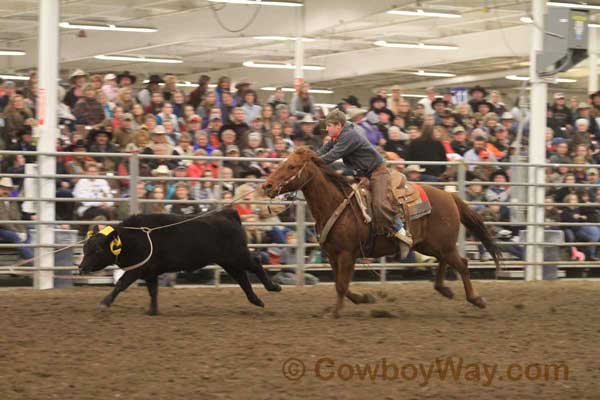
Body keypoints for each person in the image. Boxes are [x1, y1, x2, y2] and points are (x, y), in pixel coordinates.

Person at [316, 109, 412, 251]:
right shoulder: (341, 133)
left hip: (377, 172)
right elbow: (324, 150)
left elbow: (332, 155)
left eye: (329, 126)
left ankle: (401, 232)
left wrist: (311, 161)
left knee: (380, 204)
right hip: (362, 173)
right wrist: (309, 156)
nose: (326, 128)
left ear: (338, 125)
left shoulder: (349, 136)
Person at [0, 177, 33, 261]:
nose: (6, 191)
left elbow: (17, 217)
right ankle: (31, 259)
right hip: (2, 227)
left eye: (8, 189)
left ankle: (23, 259)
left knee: (27, 232)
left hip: (9, 227)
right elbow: (3, 221)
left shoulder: (12, 200)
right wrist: (16, 231)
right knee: (15, 236)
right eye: (3, 188)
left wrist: (22, 231)